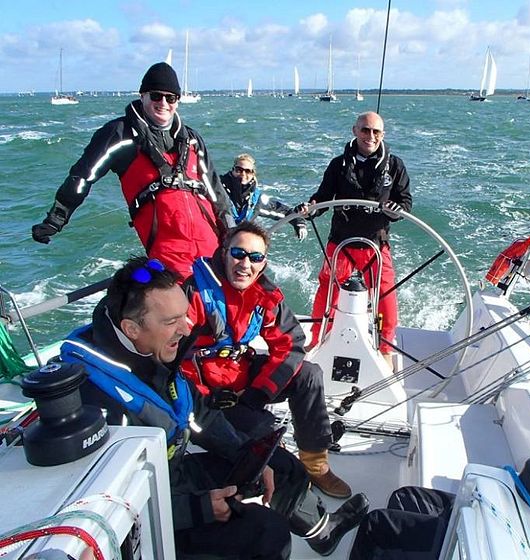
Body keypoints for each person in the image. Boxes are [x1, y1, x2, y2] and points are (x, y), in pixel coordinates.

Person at [58, 256, 369, 558]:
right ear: (131, 328)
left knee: (280, 466)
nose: (187, 327)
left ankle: (323, 533)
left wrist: (248, 454)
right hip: (147, 515)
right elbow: (104, 508)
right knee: (268, 535)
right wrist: (198, 508)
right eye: (171, 321)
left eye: (184, 314)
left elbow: (198, 412)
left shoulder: (153, 350)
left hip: (173, 474)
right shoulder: (93, 402)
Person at [181, 221, 352, 499]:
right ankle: (284, 487)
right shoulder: (196, 294)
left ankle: (316, 465)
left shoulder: (265, 296)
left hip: (242, 379)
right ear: (224, 252)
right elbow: (171, 356)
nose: (245, 264)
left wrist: (259, 393)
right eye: (238, 253)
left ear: (263, 263)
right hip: (205, 395)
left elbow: (291, 344)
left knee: (309, 374)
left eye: (255, 257)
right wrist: (206, 397)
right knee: (265, 433)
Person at [31, 62, 234, 279]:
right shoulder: (119, 135)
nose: (163, 103)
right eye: (156, 96)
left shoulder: (192, 140)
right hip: (169, 260)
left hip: (214, 253)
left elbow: (215, 192)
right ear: (143, 95)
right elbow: (82, 176)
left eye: (171, 97)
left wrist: (232, 233)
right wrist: (55, 220)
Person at [299, 112, 412, 369]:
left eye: (376, 132)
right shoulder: (338, 165)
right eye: (365, 130)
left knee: (385, 295)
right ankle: (317, 338)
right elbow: (323, 197)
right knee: (327, 292)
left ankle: (385, 349)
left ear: (383, 135)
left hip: (376, 244)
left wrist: (396, 209)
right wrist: (312, 208)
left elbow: (406, 204)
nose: (370, 136)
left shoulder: (395, 166)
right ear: (354, 130)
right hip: (341, 243)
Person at [221, 153, 307, 240]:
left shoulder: (256, 200)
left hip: (237, 243)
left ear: (253, 175)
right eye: (239, 170)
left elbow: (284, 211)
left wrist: (299, 223)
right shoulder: (218, 190)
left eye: (248, 171)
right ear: (232, 170)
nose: (243, 174)